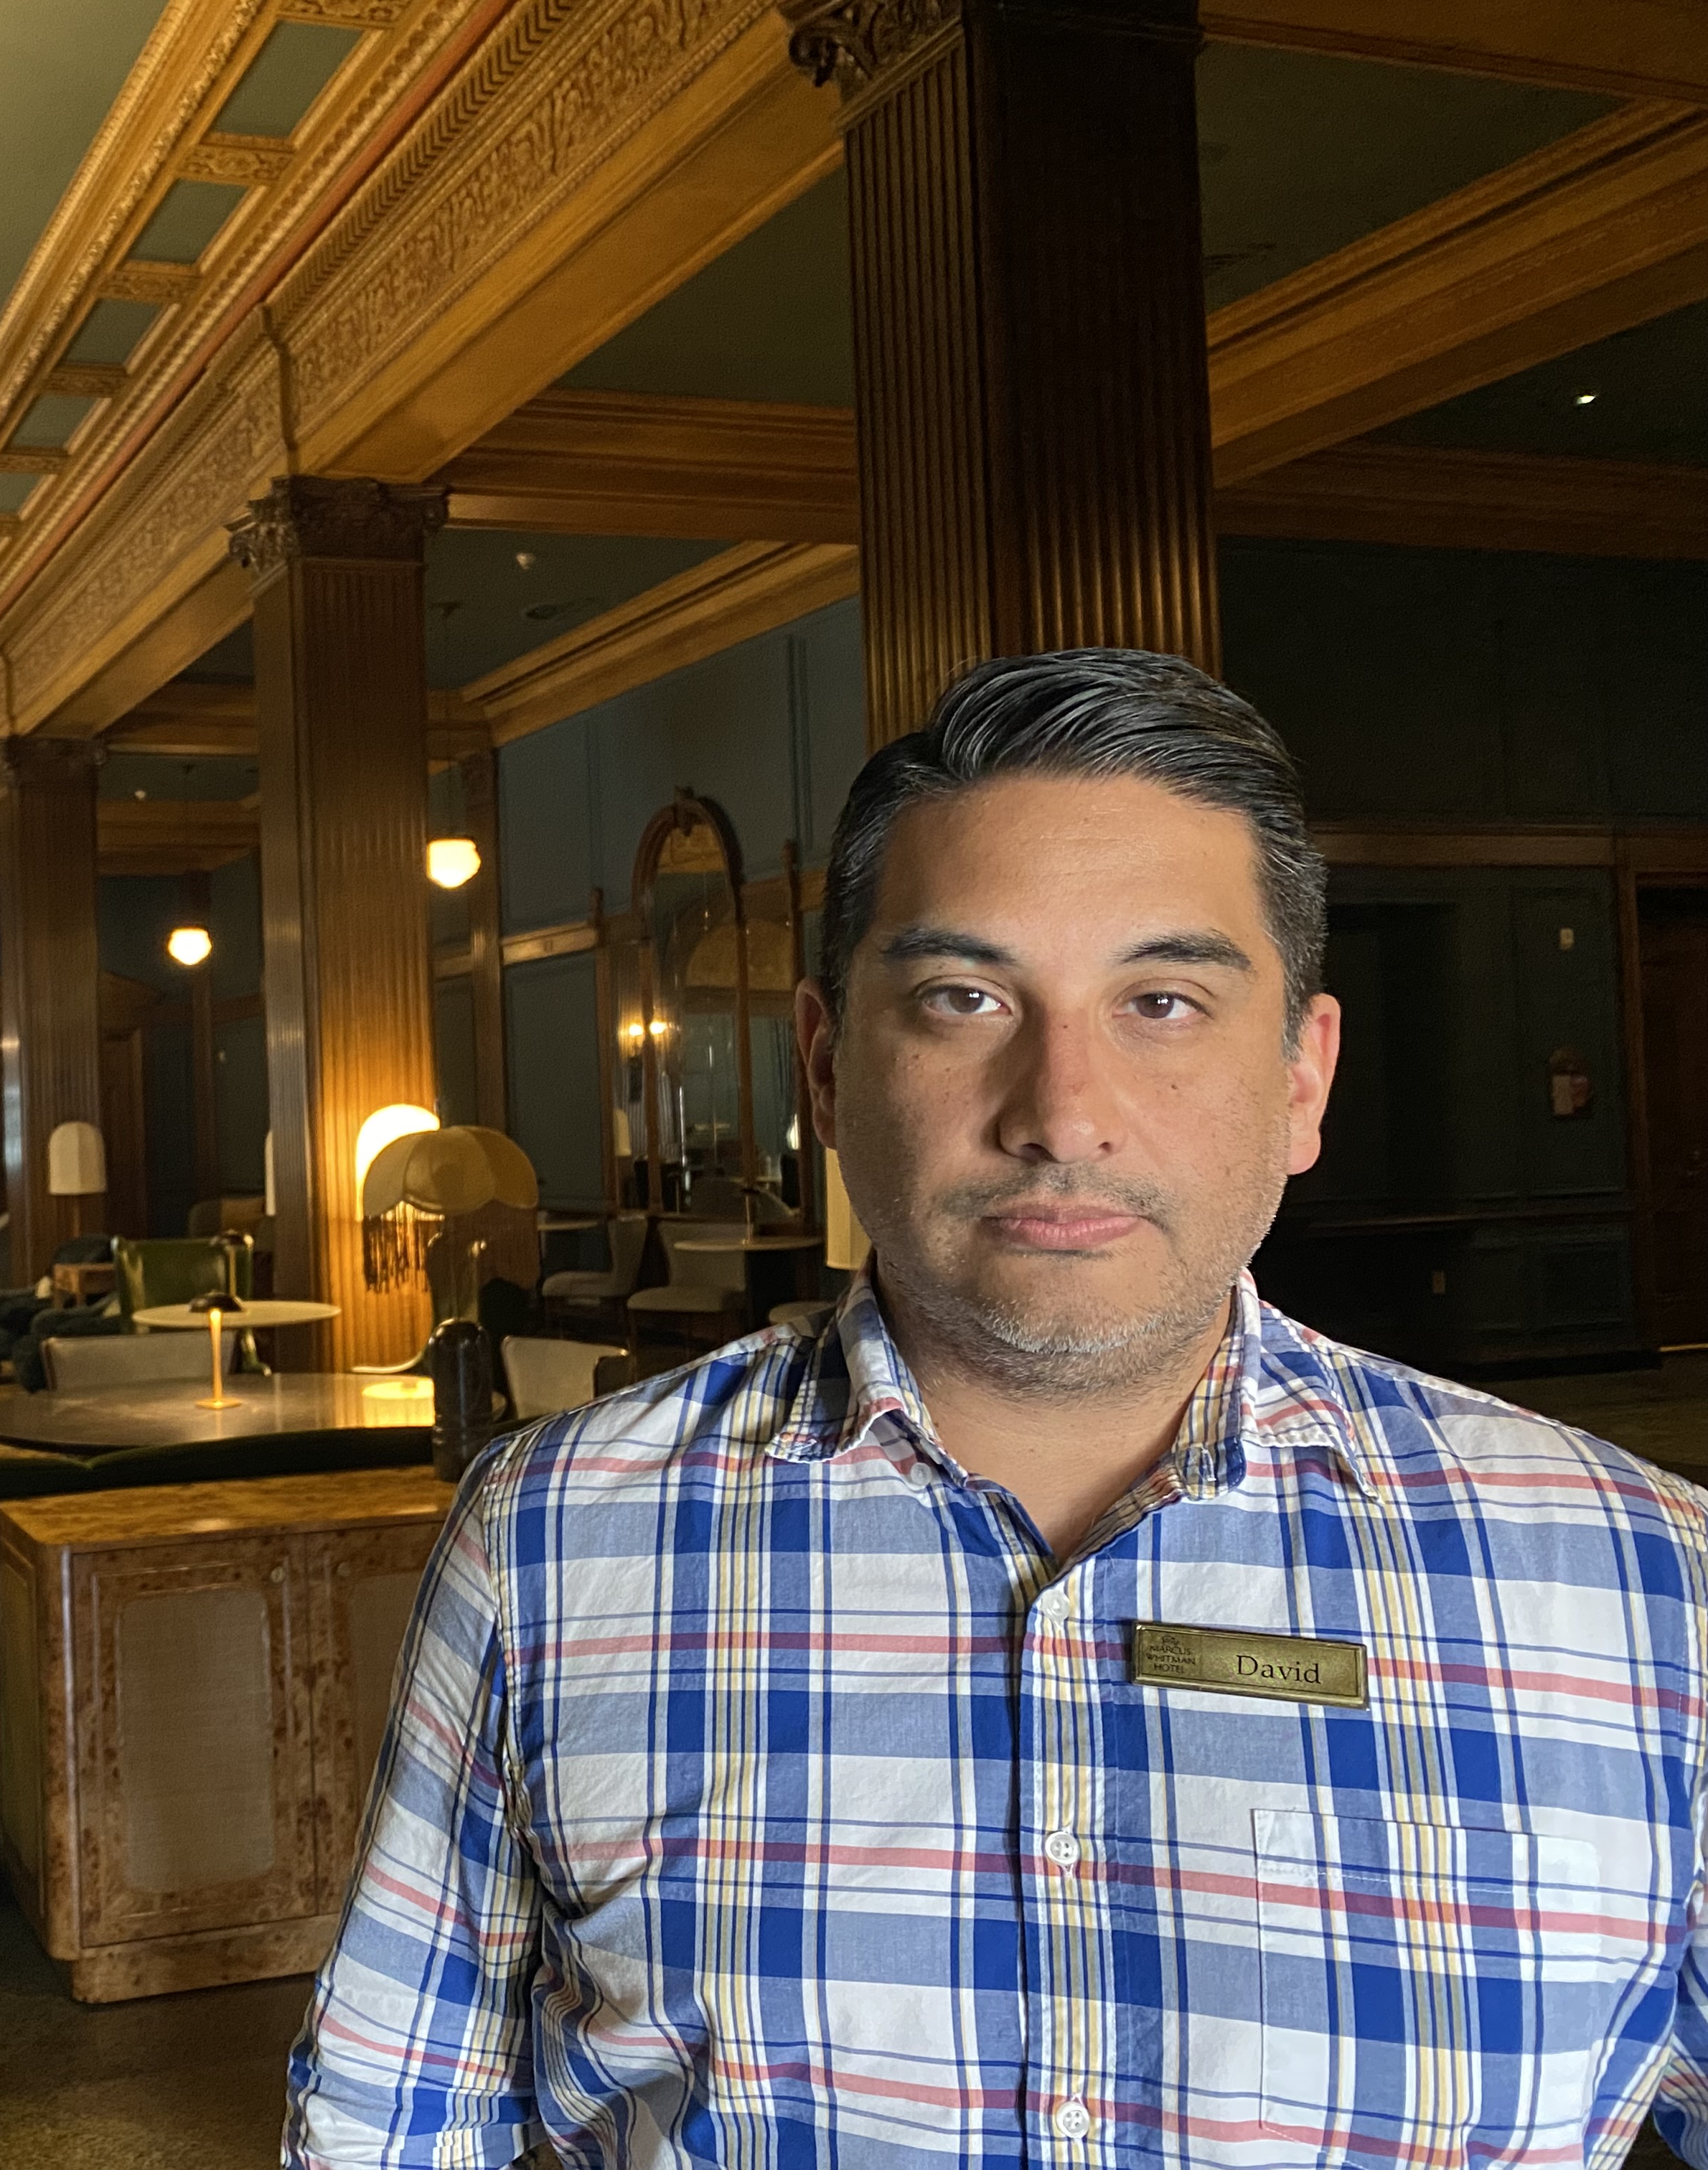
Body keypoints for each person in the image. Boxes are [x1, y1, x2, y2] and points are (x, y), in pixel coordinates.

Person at [284, 649, 1708, 2169]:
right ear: (829, 1070)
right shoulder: (552, 1541)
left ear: (1303, 1079)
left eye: (1162, 1000)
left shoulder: (1646, 1579)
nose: (1061, 1109)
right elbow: (395, 2120)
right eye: (965, 998)